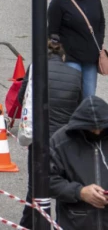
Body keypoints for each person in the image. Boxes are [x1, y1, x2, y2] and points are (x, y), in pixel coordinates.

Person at [18, 35, 82, 228]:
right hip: (65, 142)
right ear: (63, 55)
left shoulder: (34, 70)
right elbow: (79, 109)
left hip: (39, 139)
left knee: (36, 188)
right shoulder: (75, 74)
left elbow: (23, 97)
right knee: (64, 187)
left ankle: (31, 225)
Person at [48, 0, 105, 98]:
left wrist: (98, 41)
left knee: (89, 99)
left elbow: (101, 22)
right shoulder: (59, 1)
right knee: (71, 97)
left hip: (91, 58)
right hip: (70, 59)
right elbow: (52, 32)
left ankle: (86, 120)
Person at [49, 96, 108, 230]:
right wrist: (80, 192)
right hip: (74, 223)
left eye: (102, 128)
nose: (97, 132)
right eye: (91, 129)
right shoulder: (60, 142)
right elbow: (46, 181)